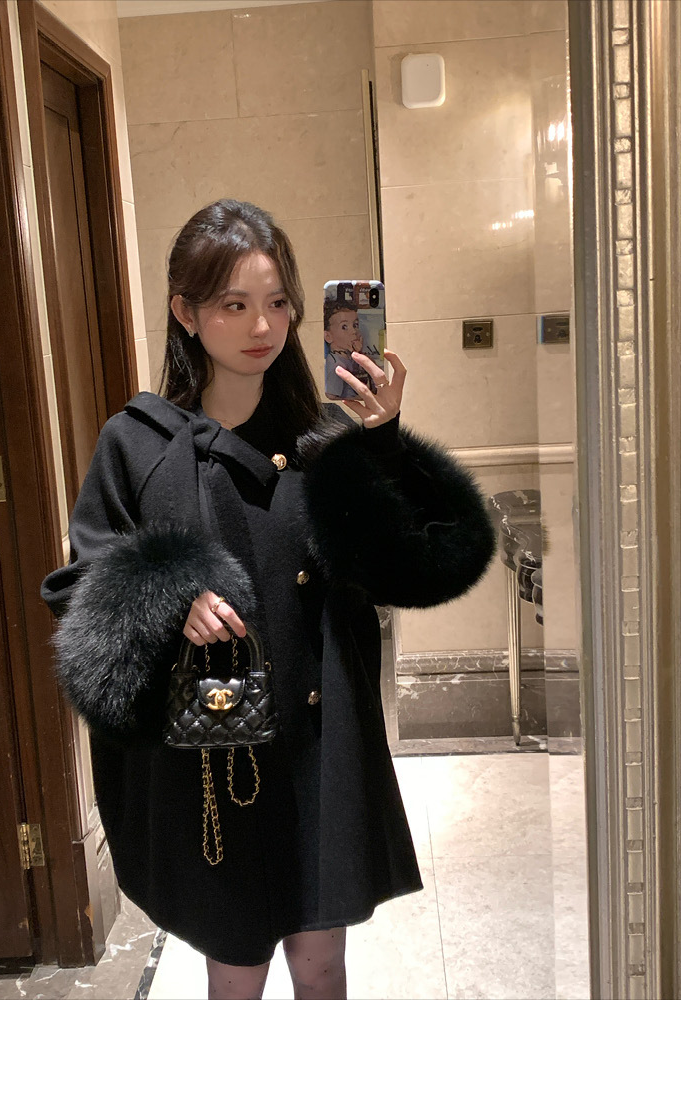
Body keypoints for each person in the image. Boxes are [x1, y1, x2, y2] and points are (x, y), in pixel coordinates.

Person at [40, 198, 496, 1000]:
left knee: (322, 966)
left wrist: (385, 442)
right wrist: (166, 594)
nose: (263, 325)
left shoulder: (327, 437)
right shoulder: (137, 444)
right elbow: (80, 593)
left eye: (279, 302)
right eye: (234, 304)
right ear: (186, 313)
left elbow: (422, 565)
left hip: (321, 747)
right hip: (217, 761)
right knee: (237, 970)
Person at [323, 299, 376, 400]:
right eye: (344, 327)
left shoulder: (349, 356)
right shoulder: (336, 364)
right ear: (328, 336)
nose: (354, 331)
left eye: (355, 325)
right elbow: (331, 397)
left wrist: (359, 354)